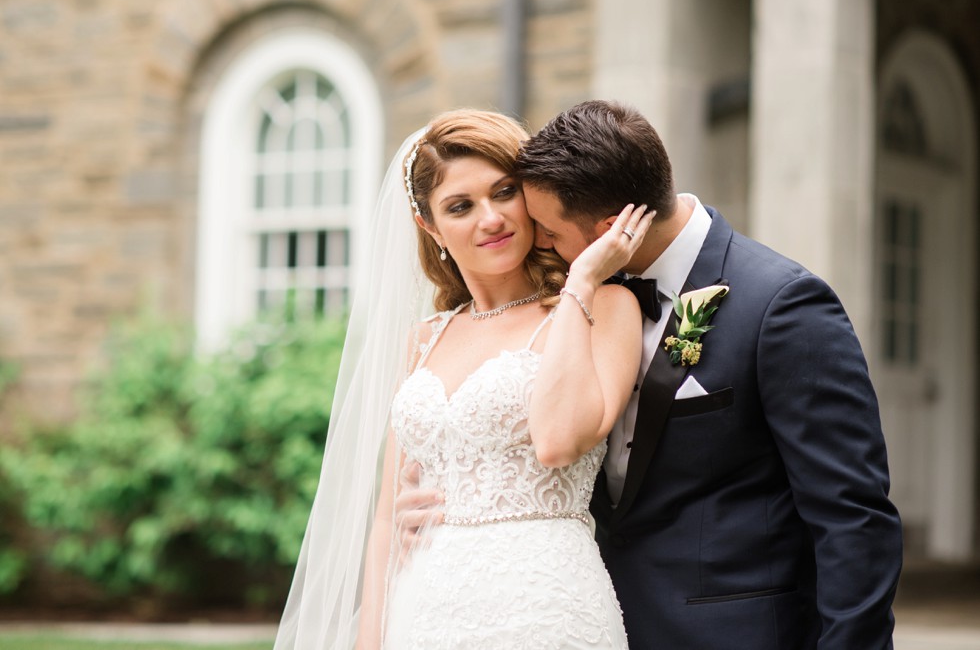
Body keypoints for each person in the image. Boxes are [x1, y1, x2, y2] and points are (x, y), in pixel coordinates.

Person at [510, 99, 904, 649]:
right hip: (599, 624)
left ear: (608, 228)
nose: (543, 244)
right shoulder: (581, 303)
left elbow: (853, 517)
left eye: (549, 230)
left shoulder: (783, 305)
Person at [273, 109, 656, 649]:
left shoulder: (605, 306)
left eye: (504, 193)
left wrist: (584, 280)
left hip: (547, 604)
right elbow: (387, 519)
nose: (491, 219)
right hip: (425, 609)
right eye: (461, 206)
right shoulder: (422, 340)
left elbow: (565, 439)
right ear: (430, 227)